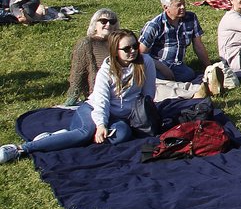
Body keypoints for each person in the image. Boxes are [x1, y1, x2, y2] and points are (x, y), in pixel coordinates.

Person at [1, 27, 162, 166]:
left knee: (122, 135)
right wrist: (100, 124)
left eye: (134, 46)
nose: (133, 51)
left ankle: (63, 136)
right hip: (94, 109)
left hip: (121, 117)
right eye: (126, 49)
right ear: (115, 51)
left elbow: (148, 93)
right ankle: (22, 148)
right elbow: (101, 101)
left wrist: (145, 116)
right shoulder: (106, 71)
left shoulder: (145, 62)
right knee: (85, 132)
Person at [139, 0, 211, 82]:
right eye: (178, 5)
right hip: (157, 66)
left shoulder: (191, 18)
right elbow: (141, 54)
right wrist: (162, 67)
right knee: (158, 79)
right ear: (166, 7)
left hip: (178, 66)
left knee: (189, 74)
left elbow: (198, 45)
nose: (183, 7)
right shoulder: (154, 25)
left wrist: (209, 67)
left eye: (184, 4)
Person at [64, 8, 119, 106]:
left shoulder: (120, 43)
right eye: (103, 21)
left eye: (112, 22)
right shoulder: (86, 43)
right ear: (95, 25)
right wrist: (72, 98)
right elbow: (78, 72)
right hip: (99, 95)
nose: (108, 24)